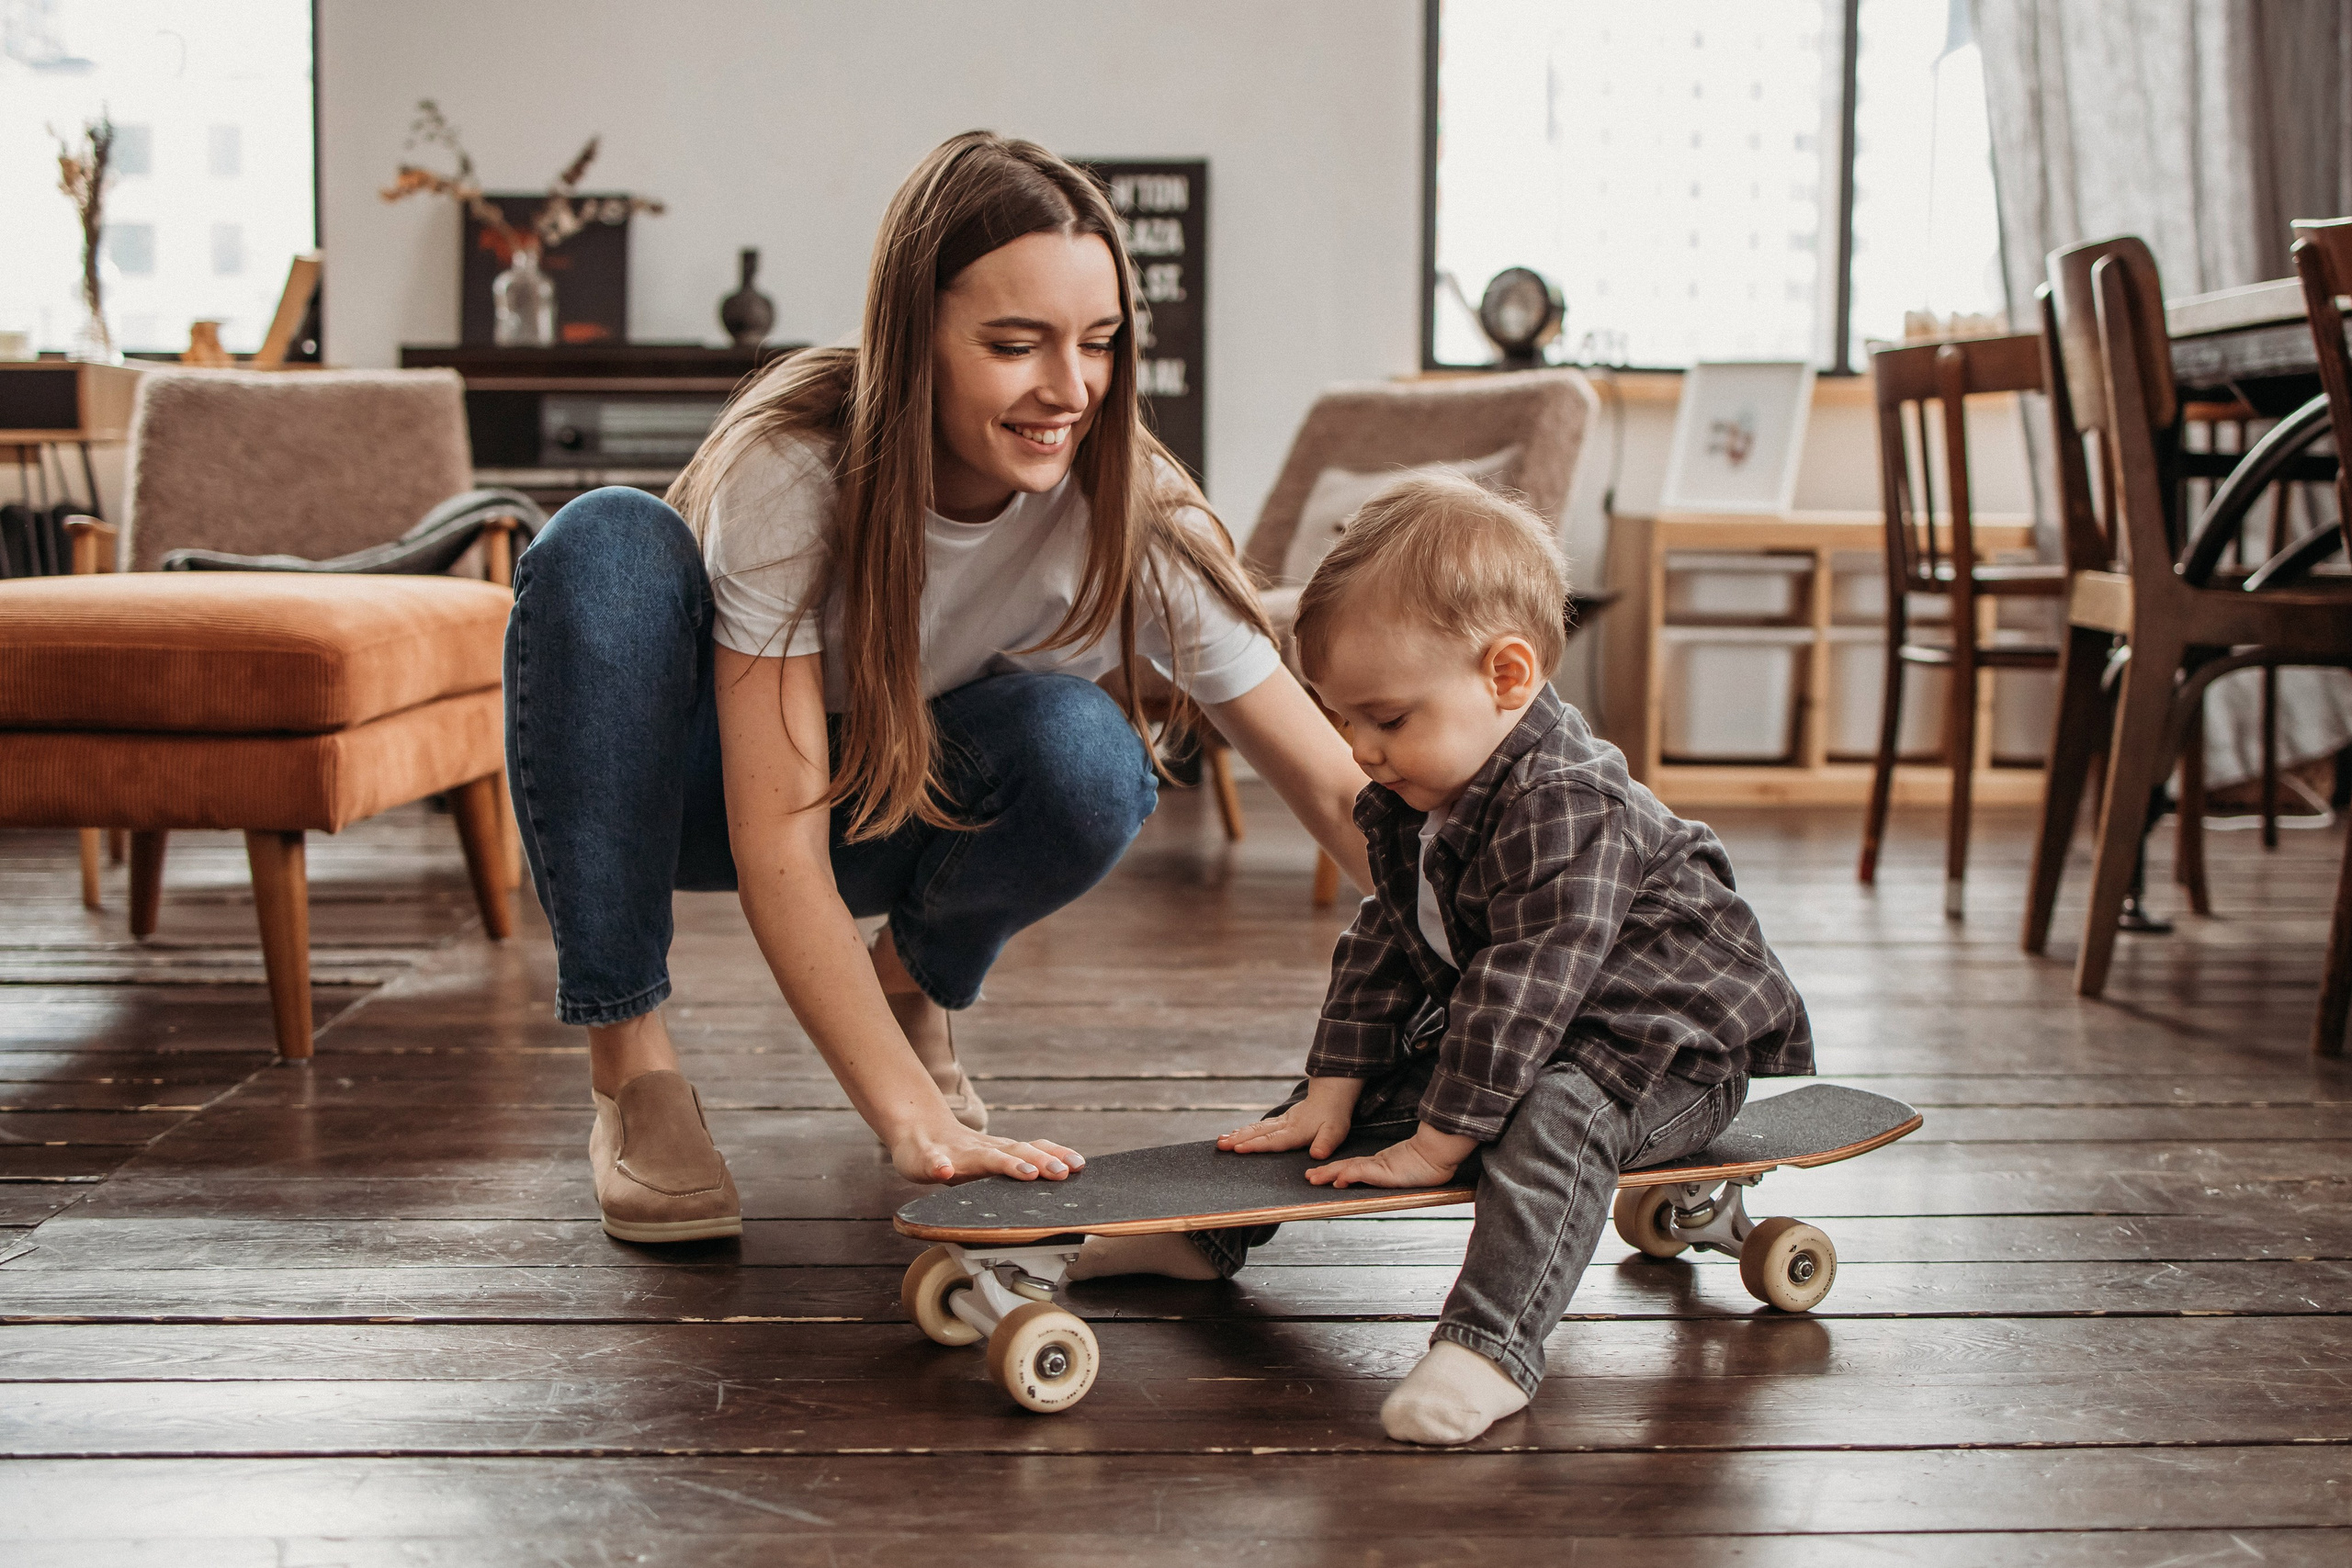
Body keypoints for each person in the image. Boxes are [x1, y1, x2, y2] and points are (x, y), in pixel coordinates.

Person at [505, 132, 1374, 1243]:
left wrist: (1527, 965)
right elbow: (778, 847)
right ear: (914, 339)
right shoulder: (795, 468)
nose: (1070, 391)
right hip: (679, 803)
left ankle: (914, 986)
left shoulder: (1131, 505)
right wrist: (913, 1123)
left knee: (1082, 749)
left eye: (1099, 345)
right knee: (605, 539)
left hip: (882, 800)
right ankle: (633, 1069)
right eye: (1016, 345)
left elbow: (1338, 791)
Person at [1068, 474, 1814, 1445]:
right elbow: (1386, 935)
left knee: (1554, 1117)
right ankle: (1205, 1238)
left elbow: (1523, 988)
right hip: (1540, 1028)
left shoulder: (1567, 800)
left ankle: (1489, 1347)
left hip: (1663, 1055)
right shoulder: (1423, 795)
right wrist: (1334, 1084)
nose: (1359, 750)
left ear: (1506, 676)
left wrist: (1441, 1136)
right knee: (1356, 1096)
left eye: (1385, 718)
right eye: (1340, 721)